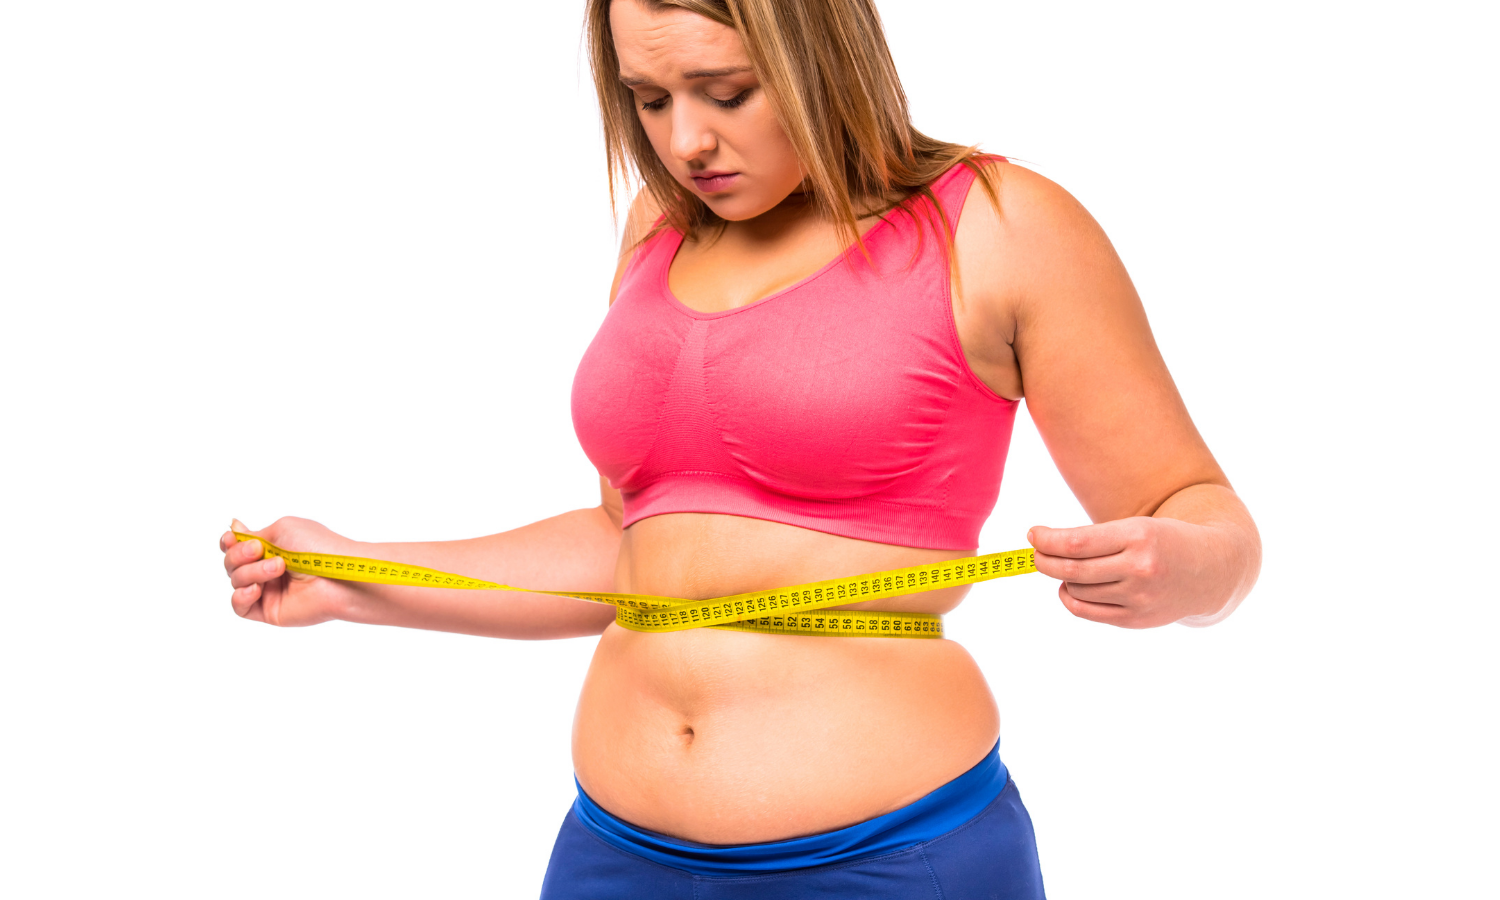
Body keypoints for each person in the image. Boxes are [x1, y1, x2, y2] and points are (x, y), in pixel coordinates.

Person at [219, 0, 1262, 896]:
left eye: (727, 93)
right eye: (649, 99)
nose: (685, 142)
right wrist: (359, 577)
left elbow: (1203, 517)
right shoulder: (660, 228)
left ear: (820, 52)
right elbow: (628, 549)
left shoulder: (998, 224)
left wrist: (1184, 565)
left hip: (891, 860)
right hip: (612, 854)